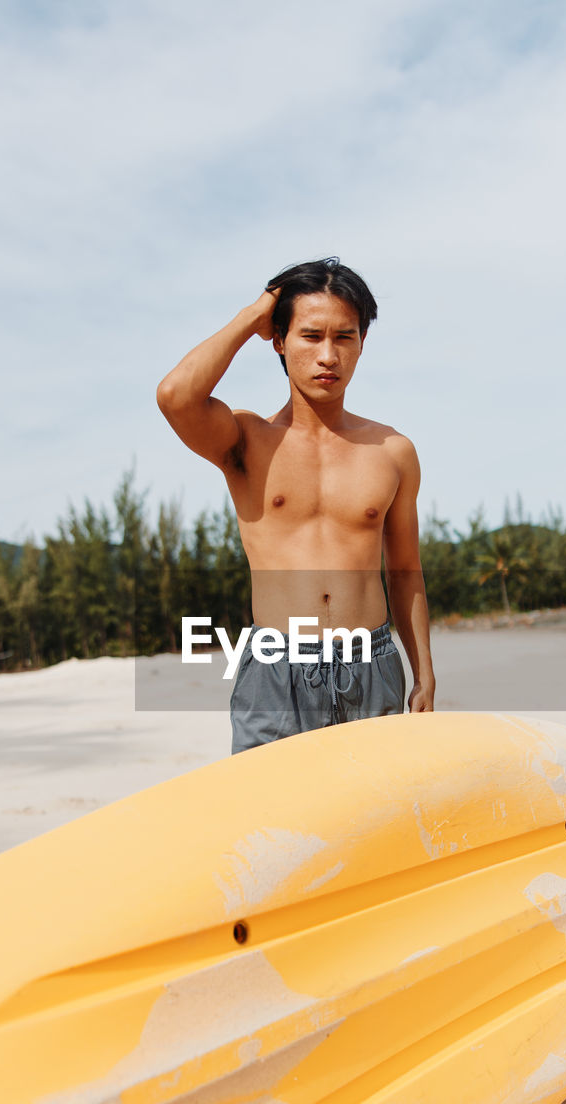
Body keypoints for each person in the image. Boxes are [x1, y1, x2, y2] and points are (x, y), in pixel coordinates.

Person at [156, 256, 435, 752]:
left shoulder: (393, 452)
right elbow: (176, 395)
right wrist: (255, 314)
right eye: (311, 336)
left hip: (371, 664)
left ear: (361, 344)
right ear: (280, 341)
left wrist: (424, 674)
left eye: (344, 337)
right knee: (273, 823)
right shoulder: (246, 440)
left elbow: (406, 571)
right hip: (275, 671)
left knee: (374, 821)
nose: (328, 355)